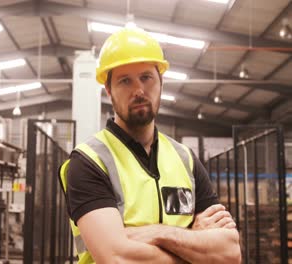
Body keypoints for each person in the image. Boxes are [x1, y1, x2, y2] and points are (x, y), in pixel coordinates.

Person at [59, 27, 241, 263]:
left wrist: (159, 233)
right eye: (125, 81)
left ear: (161, 81)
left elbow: (229, 253)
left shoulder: (185, 159)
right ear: (108, 90)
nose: (139, 90)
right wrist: (193, 243)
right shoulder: (88, 162)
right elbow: (117, 258)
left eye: (146, 77)